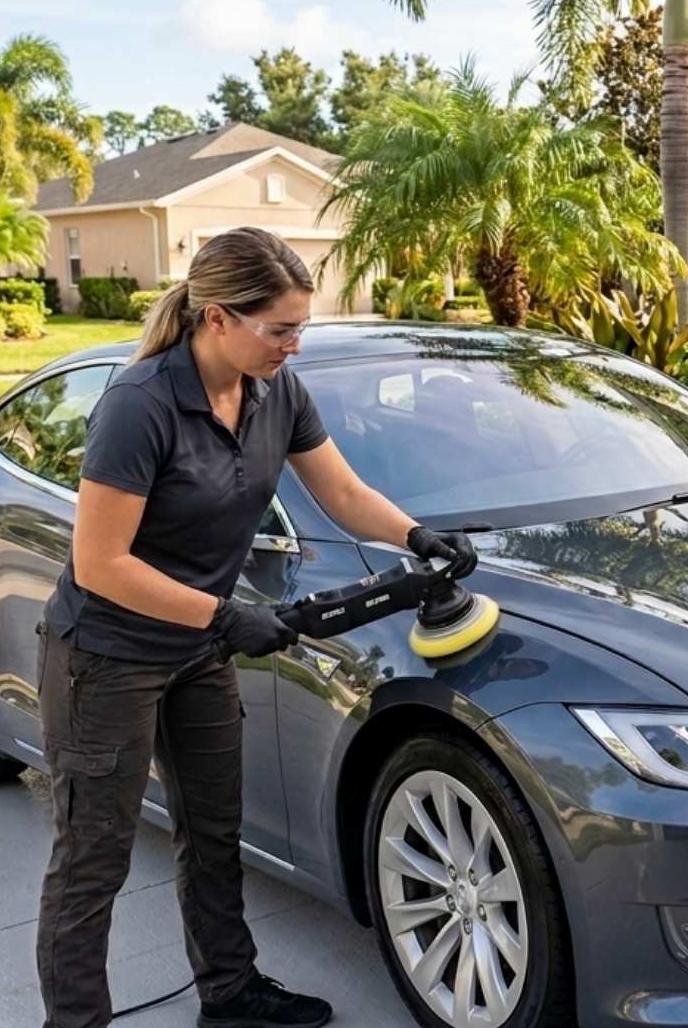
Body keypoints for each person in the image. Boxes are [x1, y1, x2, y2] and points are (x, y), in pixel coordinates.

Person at [35, 228, 475, 1028]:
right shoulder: (140, 407)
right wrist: (226, 613)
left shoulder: (276, 390)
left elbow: (340, 490)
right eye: (278, 330)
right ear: (216, 319)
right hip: (107, 659)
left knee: (214, 832)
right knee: (92, 858)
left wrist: (415, 535)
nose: (292, 345)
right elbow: (100, 563)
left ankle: (229, 994)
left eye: (300, 327)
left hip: (198, 652)